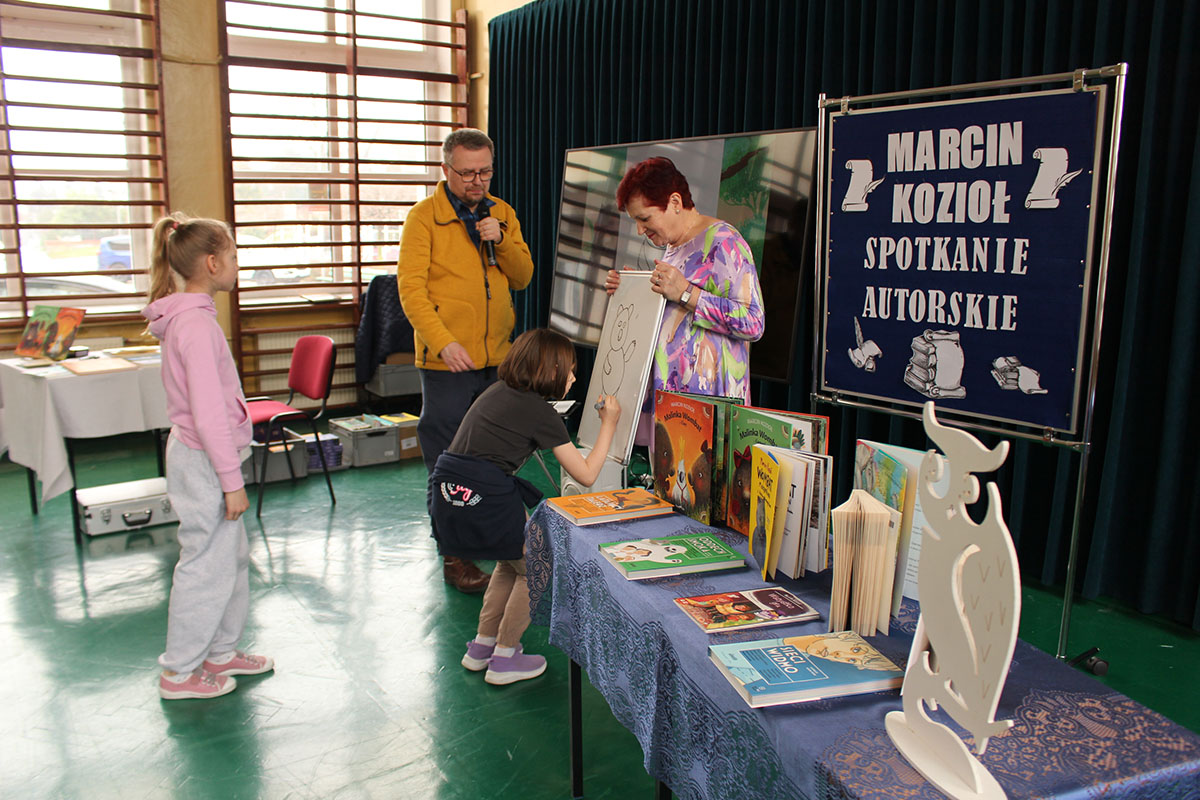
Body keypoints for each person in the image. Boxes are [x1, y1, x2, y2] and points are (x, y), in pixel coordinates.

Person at [430, 329, 620, 685]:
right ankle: (505, 658)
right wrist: (609, 424)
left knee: (511, 562)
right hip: (485, 495)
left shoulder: (498, 391)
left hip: (448, 491)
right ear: (551, 370)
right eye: (570, 369)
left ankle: (482, 647)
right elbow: (586, 475)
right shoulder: (540, 413)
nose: (573, 377)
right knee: (537, 567)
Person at [397, 127, 535, 594]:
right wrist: (443, 342)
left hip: (497, 361)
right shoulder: (423, 219)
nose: (477, 181)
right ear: (445, 169)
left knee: (494, 458)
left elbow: (523, 276)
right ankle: (454, 555)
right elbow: (411, 291)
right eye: (467, 173)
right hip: (447, 364)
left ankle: (493, 538)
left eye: (485, 172)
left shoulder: (503, 214)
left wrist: (503, 240)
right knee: (449, 462)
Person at [142, 213, 273, 700]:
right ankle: (178, 672)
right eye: (234, 256)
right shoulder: (195, 326)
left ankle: (220, 651)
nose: (238, 264)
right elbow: (208, 412)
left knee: (229, 557)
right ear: (213, 263)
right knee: (205, 563)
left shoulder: (194, 317)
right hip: (204, 461)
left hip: (206, 456)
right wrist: (230, 482)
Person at [605, 156, 765, 445]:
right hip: (673, 408)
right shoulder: (674, 246)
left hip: (710, 412)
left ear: (675, 202)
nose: (639, 230)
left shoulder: (725, 242)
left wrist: (687, 293)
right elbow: (675, 315)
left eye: (644, 219)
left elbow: (753, 322)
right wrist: (633, 289)